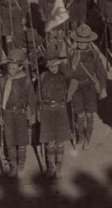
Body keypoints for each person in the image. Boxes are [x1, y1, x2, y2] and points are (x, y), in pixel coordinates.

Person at [0, 48, 37, 179]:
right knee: (10, 141)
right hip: (7, 114)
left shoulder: (26, 81)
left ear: (20, 67)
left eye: (13, 68)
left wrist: (33, 114)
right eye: (9, 67)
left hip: (21, 113)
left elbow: (32, 99)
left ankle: (21, 165)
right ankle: (13, 166)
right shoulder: (2, 81)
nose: (10, 70)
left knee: (22, 140)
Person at [37, 46, 76, 179]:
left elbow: (71, 74)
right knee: (49, 142)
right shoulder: (43, 76)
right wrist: (38, 110)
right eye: (50, 64)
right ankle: (51, 166)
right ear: (46, 65)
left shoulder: (63, 76)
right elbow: (38, 95)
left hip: (60, 109)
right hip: (47, 110)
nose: (53, 67)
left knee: (60, 141)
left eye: (55, 64)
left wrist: (62, 65)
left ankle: (59, 165)